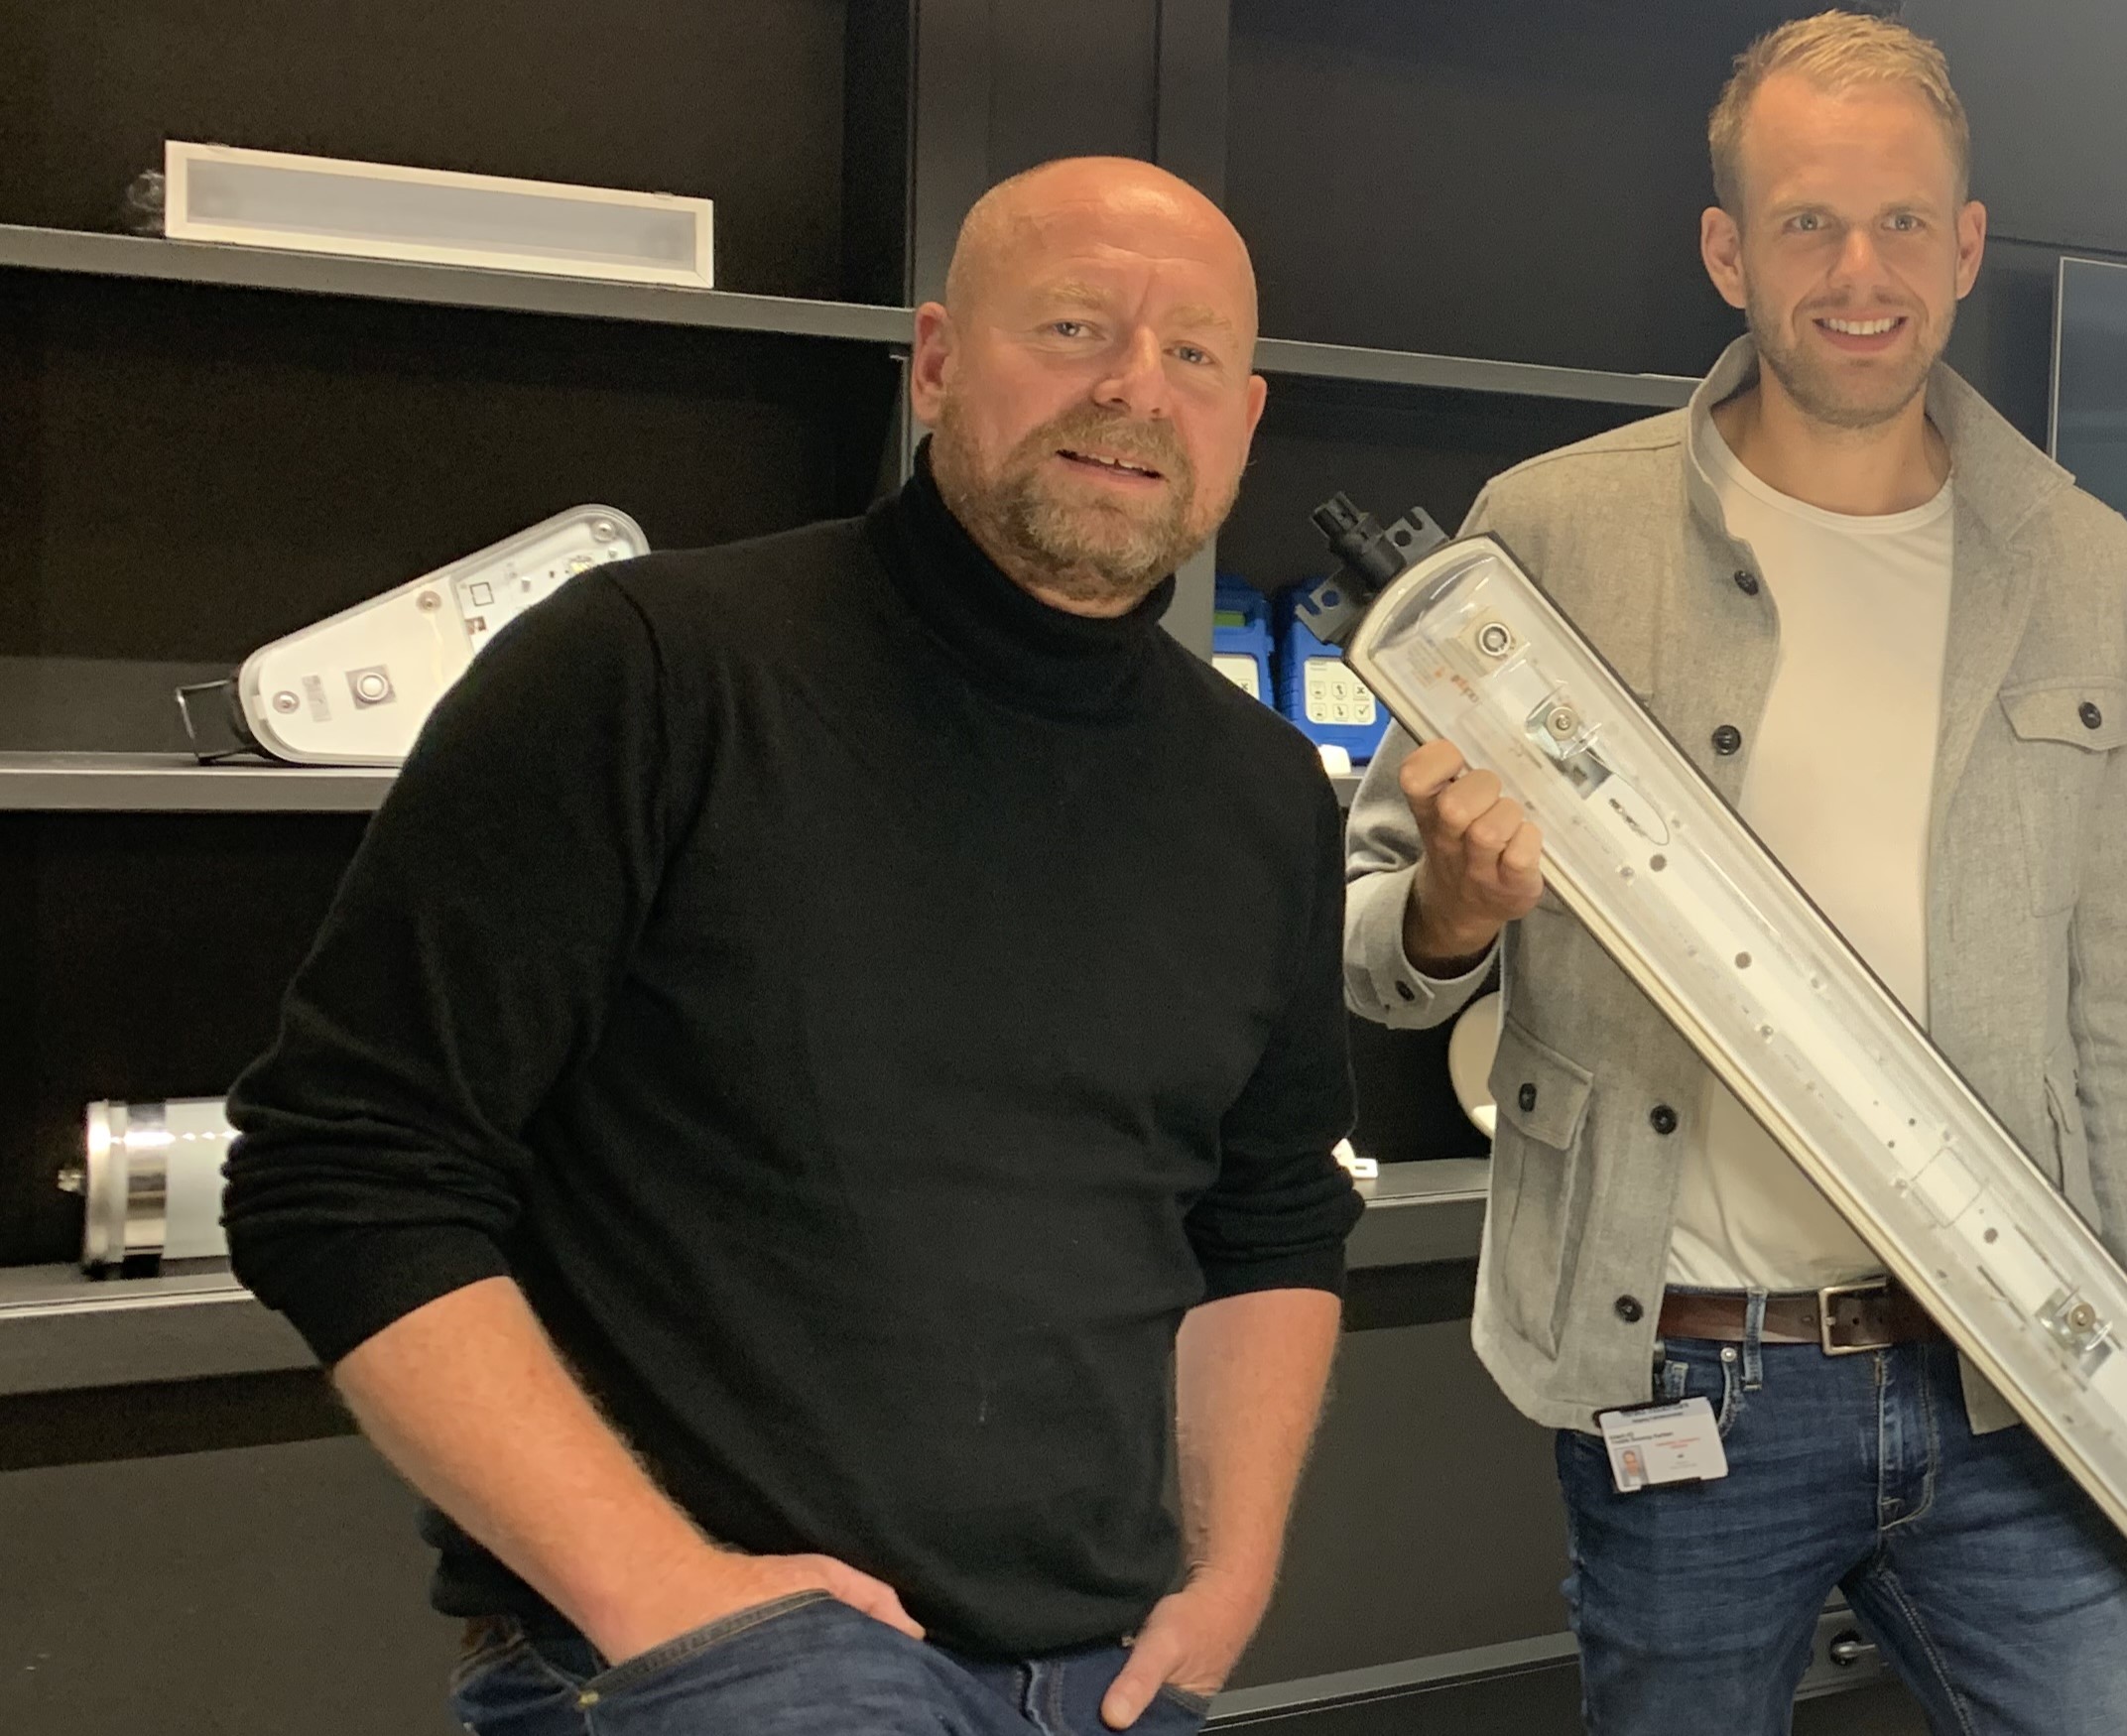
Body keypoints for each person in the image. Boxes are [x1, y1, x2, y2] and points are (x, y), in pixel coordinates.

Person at [223, 157, 1360, 1736]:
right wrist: (669, 1597)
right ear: (939, 360)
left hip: (1104, 1678)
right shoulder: (649, 672)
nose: (1133, 388)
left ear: (1245, 410)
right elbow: (340, 1168)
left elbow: (1272, 1217)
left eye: (1192, 354)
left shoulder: (1260, 791)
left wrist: (1230, 1575)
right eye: (1076, 324)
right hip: (709, 1660)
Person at [1341, 15, 2127, 1734]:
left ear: (1966, 245)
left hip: (2015, 1377)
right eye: (1808, 222)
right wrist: (1452, 906)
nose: (1860, 271)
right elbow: (1373, 941)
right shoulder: (1546, 534)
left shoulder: (2080, 560)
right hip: (1677, 1373)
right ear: (1726, 249)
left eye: (1904, 222)